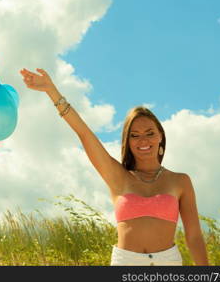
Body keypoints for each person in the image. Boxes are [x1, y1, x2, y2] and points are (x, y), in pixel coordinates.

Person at [19, 68, 209, 266]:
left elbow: (194, 235)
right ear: (128, 141)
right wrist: (52, 90)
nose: (143, 140)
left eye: (150, 133)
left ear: (160, 135)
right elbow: (84, 132)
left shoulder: (180, 181)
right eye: (135, 135)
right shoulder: (118, 177)